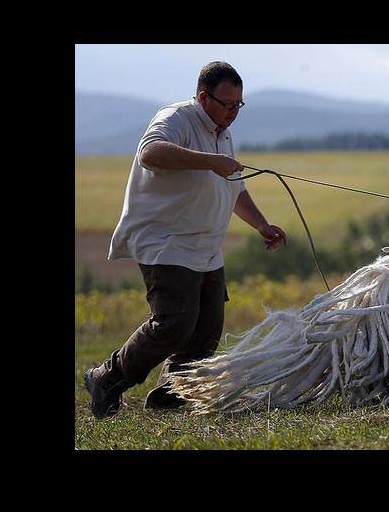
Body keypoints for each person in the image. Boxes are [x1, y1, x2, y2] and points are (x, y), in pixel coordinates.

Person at [83, 61, 288, 418]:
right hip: (166, 241)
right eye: (226, 104)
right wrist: (210, 161)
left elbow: (234, 189)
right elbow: (150, 153)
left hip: (206, 247)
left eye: (238, 104)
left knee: (207, 330)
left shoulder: (223, 133)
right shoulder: (176, 118)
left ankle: (171, 395)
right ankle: (106, 378)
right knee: (174, 323)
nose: (233, 112)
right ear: (203, 98)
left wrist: (261, 224)